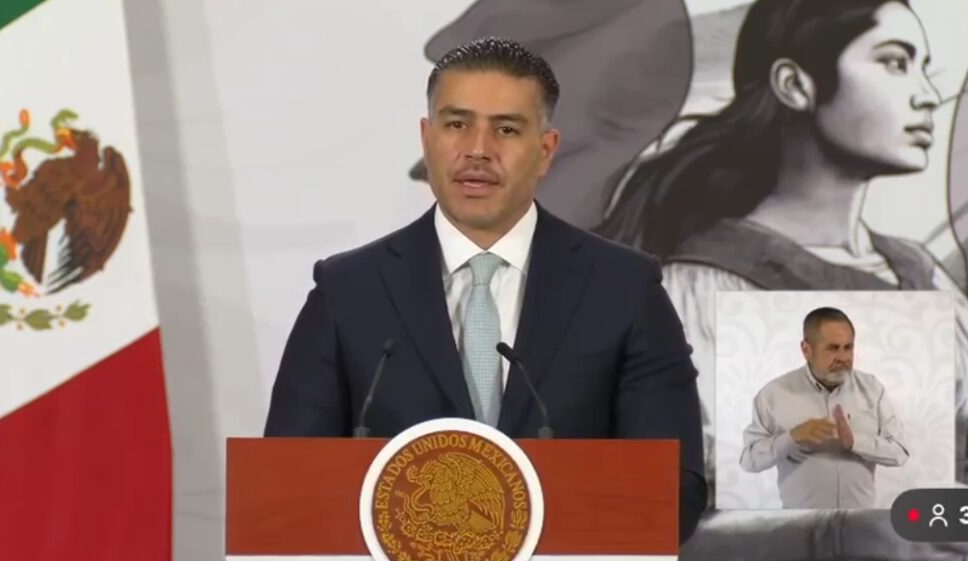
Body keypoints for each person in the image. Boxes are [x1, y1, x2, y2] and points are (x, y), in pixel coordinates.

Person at [263, 37, 707, 542]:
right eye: (457, 125)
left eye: (507, 129)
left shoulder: (624, 289)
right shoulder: (347, 291)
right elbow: (286, 486)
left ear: (545, 151)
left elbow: (674, 490)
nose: (478, 150)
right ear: (427, 138)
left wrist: (513, 528)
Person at [597, 0, 967, 490]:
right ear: (795, 85)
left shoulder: (922, 274)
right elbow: (672, 490)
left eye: (924, 69)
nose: (928, 96)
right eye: (895, 62)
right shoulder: (702, 286)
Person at [739, 307, 909, 509]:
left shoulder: (872, 389)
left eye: (848, 347)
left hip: (859, 521)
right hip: (801, 523)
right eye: (833, 348)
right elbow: (749, 460)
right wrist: (792, 438)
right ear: (806, 350)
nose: (843, 357)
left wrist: (855, 441)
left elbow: (899, 453)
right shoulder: (773, 394)